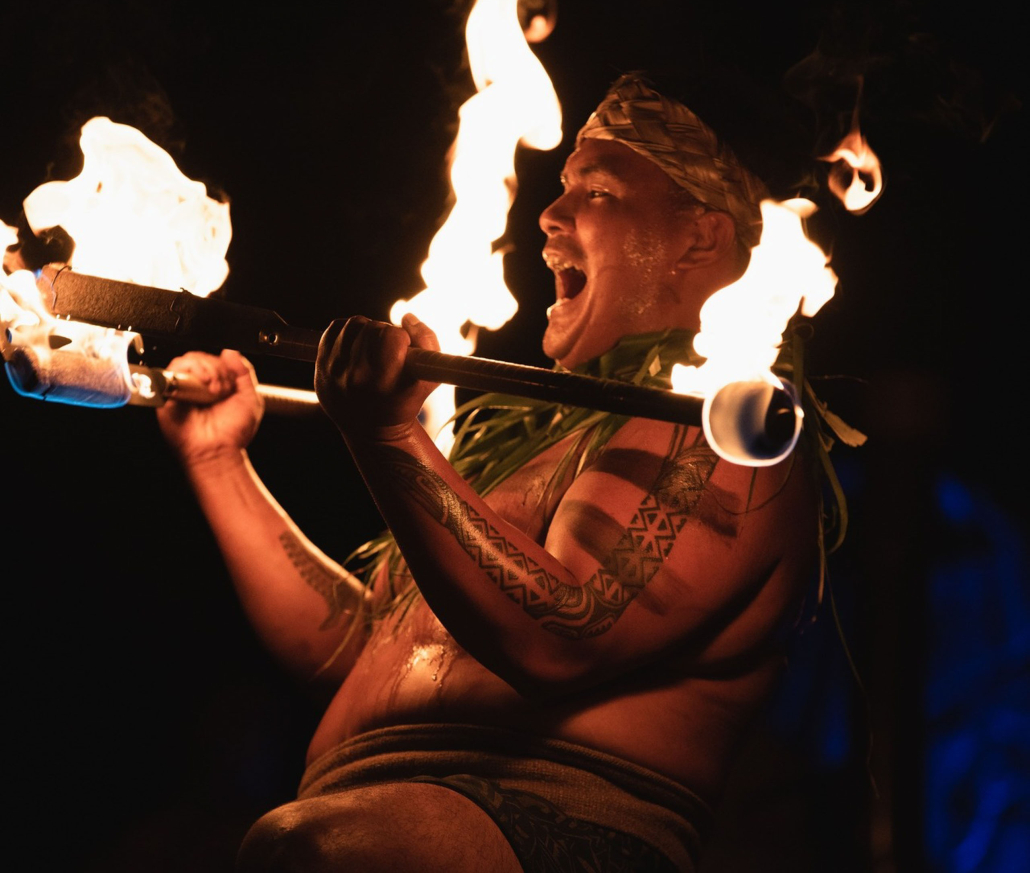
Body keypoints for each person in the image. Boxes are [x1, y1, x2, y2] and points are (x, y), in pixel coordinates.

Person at [158, 74, 820, 873]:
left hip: (559, 828)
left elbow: (558, 638)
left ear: (698, 239)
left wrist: (392, 434)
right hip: (381, 818)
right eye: (564, 188)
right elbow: (365, 651)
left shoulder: (727, 426)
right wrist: (219, 458)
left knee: (303, 850)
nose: (549, 214)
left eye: (598, 192)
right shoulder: (539, 450)